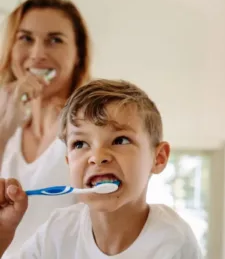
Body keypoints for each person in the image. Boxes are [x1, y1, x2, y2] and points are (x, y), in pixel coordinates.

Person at [0, 79, 202, 258]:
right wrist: (3, 232)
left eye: (120, 140)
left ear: (158, 158)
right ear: (69, 162)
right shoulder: (57, 232)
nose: (97, 157)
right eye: (80, 144)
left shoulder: (174, 243)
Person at [0, 0, 92, 256]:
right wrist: (3, 132)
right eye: (25, 38)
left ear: (78, 55)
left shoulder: (90, 133)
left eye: (55, 40)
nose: (38, 54)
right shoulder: (5, 128)